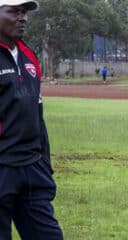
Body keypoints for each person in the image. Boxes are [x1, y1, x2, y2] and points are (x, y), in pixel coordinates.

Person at [0, 1, 63, 239]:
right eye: (14, 11)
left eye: (24, 12)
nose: (22, 18)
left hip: (32, 168)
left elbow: (38, 112)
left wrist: (44, 161)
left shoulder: (28, 55)